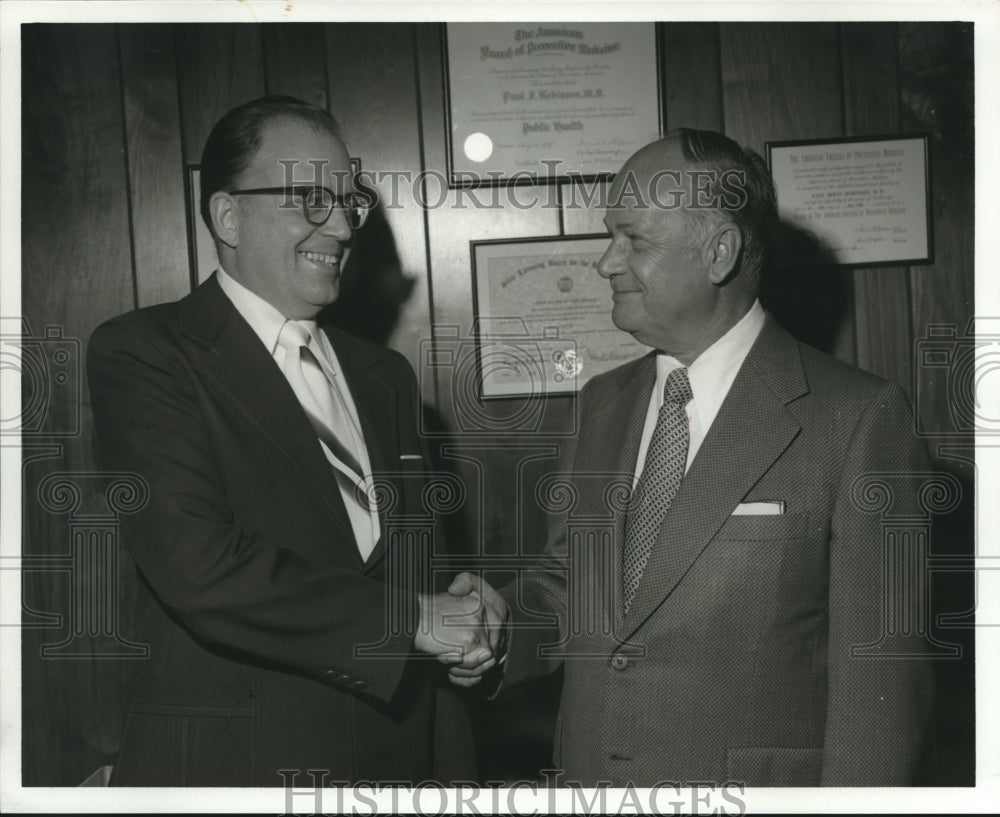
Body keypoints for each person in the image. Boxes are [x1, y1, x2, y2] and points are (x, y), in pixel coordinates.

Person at [448, 128, 935, 787]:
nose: (606, 262)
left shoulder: (859, 418)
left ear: (719, 252)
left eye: (633, 239)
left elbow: (881, 687)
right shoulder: (601, 403)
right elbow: (571, 586)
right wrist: (502, 624)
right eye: (609, 236)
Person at [87, 96, 491, 786]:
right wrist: (414, 620)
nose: (340, 225)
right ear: (227, 215)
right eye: (310, 199)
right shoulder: (145, 354)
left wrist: (469, 634)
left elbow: (419, 576)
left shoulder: (385, 376)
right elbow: (199, 567)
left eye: (349, 202)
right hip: (238, 769)